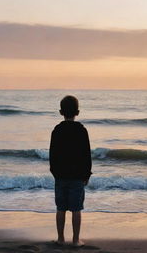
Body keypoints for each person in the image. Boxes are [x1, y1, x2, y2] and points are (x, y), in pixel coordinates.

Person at [49, 95, 92, 247]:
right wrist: (87, 174)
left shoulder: (57, 130)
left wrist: (54, 172)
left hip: (60, 176)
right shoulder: (81, 131)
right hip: (77, 177)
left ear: (61, 112)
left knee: (60, 208)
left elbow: (52, 154)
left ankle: (60, 238)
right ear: (78, 112)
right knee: (76, 209)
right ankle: (75, 240)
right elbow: (87, 155)